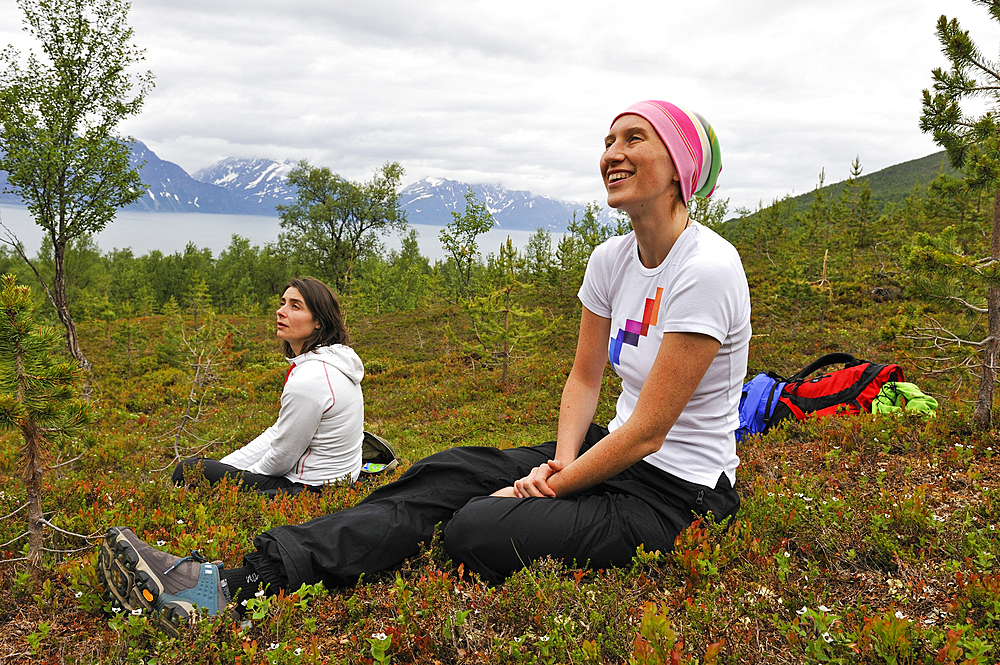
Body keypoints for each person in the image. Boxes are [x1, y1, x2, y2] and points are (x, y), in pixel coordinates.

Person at [98, 100, 750, 636]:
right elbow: (584, 380)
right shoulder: (611, 260)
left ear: (679, 167)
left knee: (471, 525)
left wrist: (554, 484)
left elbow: (650, 431)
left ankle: (245, 584)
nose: (611, 152)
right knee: (448, 471)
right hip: (608, 453)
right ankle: (230, 583)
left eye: (634, 137)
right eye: (608, 139)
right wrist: (561, 459)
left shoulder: (706, 268)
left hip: (677, 497)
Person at [171, 277, 364, 494]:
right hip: (337, 480)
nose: (281, 311)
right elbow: (279, 432)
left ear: (318, 321)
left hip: (310, 488)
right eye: (283, 303)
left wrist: (233, 485)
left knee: (187, 470)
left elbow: (282, 458)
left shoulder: (311, 379)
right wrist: (228, 467)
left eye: (295, 306)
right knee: (207, 468)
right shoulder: (334, 361)